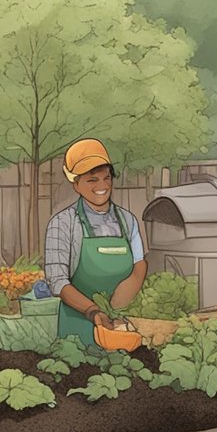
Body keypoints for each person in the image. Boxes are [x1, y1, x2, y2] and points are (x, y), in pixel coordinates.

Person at [44, 138, 147, 347]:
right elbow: (57, 281)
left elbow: (139, 265)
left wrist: (119, 305)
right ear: (76, 184)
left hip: (119, 327)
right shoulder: (63, 224)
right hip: (77, 332)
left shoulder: (127, 221)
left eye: (106, 178)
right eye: (92, 180)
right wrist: (93, 311)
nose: (102, 186)